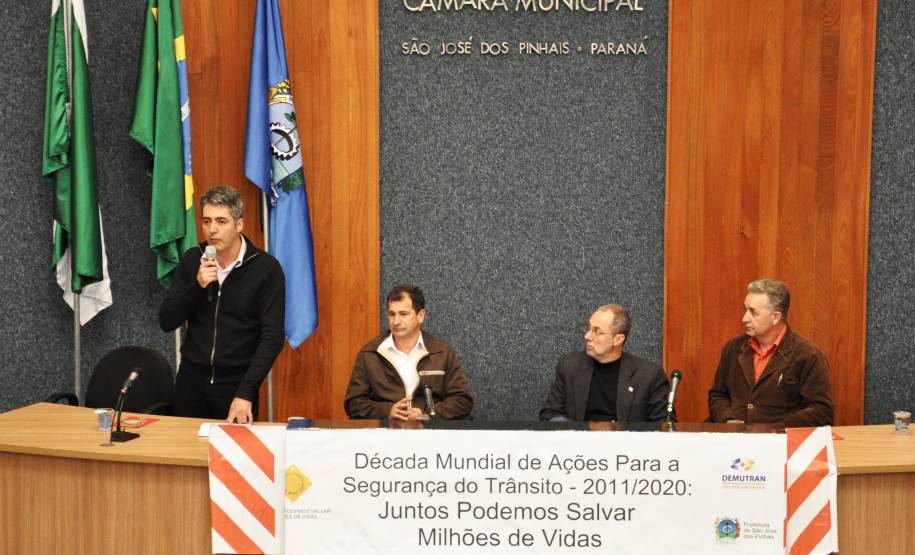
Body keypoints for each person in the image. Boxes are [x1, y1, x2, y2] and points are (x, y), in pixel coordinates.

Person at [159, 185, 285, 424]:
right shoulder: (192, 260)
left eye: (221, 221)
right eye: (206, 221)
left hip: (236, 387)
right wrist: (196, 286)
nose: (212, 229)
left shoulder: (266, 269)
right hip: (190, 382)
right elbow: (166, 320)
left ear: (239, 224)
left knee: (233, 449)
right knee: (184, 448)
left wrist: (246, 391)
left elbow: (273, 337)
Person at [707, 279, 833, 427]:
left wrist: (775, 430)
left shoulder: (809, 354)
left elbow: (821, 411)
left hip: (780, 438)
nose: (744, 319)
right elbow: (718, 395)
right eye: (745, 309)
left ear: (776, 317)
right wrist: (728, 420)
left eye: (753, 312)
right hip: (733, 437)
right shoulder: (733, 348)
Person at [344, 284, 473, 420]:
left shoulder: (442, 353)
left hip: (429, 431)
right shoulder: (370, 354)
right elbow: (354, 403)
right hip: (387, 431)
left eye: (403, 314)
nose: (396, 321)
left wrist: (426, 414)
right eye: (392, 314)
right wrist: (387, 411)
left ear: (420, 316)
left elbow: (462, 401)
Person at [540, 305, 672, 422]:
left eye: (597, 332)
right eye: (589, 328)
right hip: (580, 440)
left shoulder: (648, 375)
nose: (587, 336)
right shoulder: (570, 365)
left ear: (618, 339)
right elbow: (550, 413)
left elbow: (664, 424)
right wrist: (573, 432)